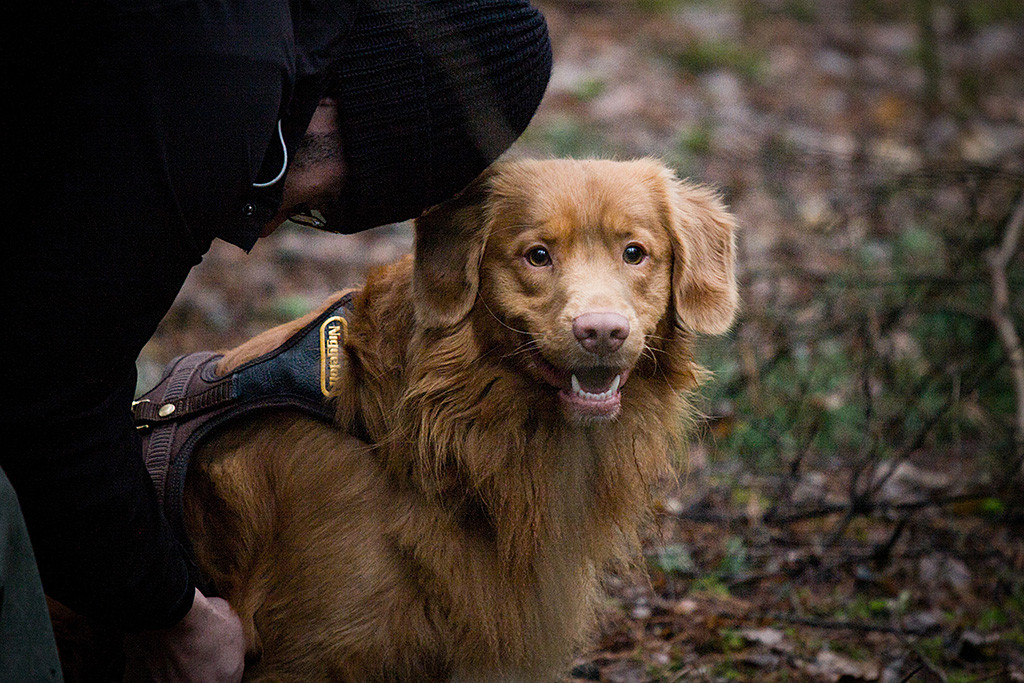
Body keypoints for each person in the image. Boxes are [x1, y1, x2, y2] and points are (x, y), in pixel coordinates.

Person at [0, 0, 552, 679]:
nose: (260, 229)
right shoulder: (219, 74)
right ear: (367, 112)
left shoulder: (225, 35)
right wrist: (172, 613)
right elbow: (48, 397)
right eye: (318, 205)